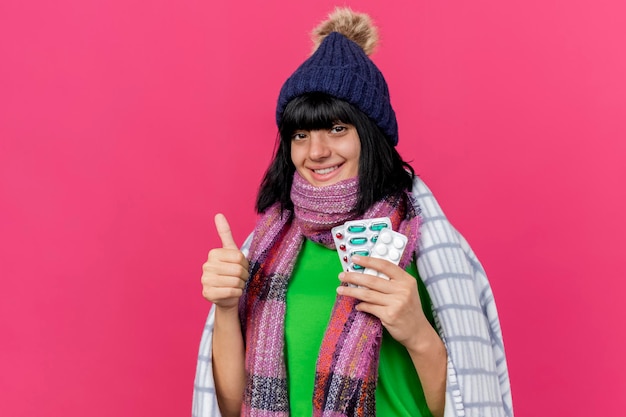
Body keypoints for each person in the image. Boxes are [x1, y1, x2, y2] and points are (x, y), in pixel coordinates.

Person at [193, 7, 513, 417]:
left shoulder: (425, 242)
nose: (316, 152)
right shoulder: (267, 246)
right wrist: (225, 307)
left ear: (371, 134)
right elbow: (232, 407)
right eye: (301, 134)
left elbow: (468, 402)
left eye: (338, 129)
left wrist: (416, 332)